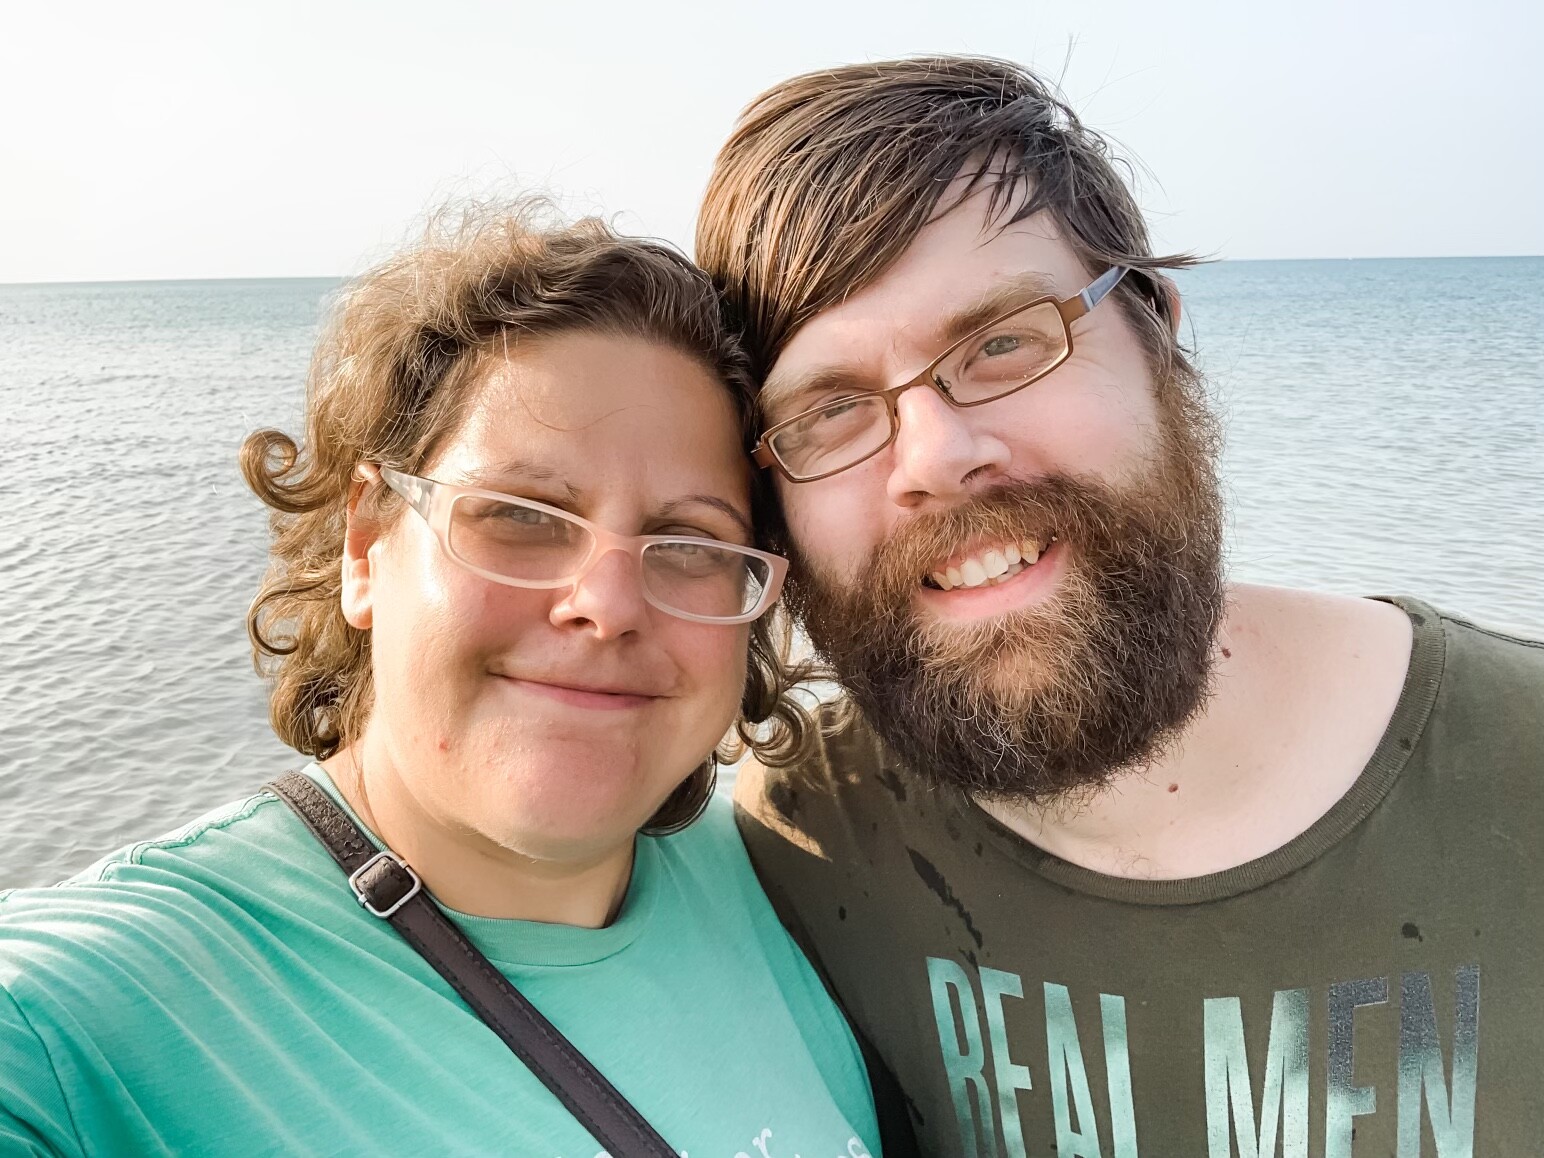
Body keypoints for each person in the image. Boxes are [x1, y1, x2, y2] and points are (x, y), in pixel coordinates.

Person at [696, 55, 1544, 1155]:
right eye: (829, 411)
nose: (940, 456)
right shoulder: (797, 842)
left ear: (1153, 332)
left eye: (1002, 343)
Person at [0, 204, 885, 1157]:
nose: (609, 602)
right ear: (366, 546)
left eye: (690, 544)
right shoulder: (81, 1027)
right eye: (522, 515)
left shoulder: (791, 877)